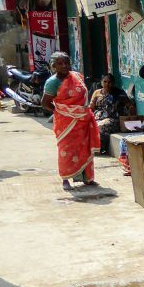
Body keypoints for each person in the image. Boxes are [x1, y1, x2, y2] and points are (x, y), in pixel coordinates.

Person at [41, 52, 99, 191]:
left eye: (67, 63)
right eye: (60, 63)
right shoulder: (53, 82)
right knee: (66, 149)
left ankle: (87, 178)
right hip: (65, 122)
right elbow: (45, 103)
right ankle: (65, 178)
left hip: (83, 119)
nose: (65, 66)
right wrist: (62, 111)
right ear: (53, 66)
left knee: (84, 147)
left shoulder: (77, 76)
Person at [88, 73, 133, 154]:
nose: (107, 84)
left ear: (113, 83)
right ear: (101, 82)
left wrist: (130, 117)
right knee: (88, 125)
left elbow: (130, 106)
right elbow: (91, 107)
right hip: (98, 117)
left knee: (101, 126)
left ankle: (101, 148)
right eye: (105, 81)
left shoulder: (119, 93)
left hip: (113, 119)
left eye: (109, 82)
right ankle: (90, 148)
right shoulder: (97, 92)